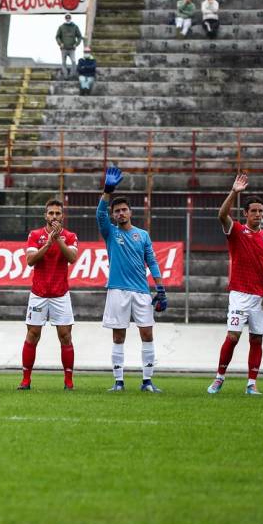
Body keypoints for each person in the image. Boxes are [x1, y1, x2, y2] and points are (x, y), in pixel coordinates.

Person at [209, 175, 263, 396]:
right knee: (233, 336)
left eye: (261, 211)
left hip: (260, 296)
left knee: (256, 339)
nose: (258, 214)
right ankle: (219, 378)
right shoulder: (237, 231)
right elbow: (221, 215)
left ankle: (251, 383)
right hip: (240, 294)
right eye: (254, 211)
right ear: (246, 213)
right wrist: (234, 192)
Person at [97, 167, 167, 393]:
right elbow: (99, 214)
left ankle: (147, 381)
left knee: (147, 333)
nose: (120, 213)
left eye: (123, 210)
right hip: (117, 290)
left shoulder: (142, 235)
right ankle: (118, 382)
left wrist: (161, 289)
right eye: (116, 211)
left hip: (141, 291)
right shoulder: (110, 232)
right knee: (118, 336)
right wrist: (107, 191)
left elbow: (152, 262)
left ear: (130, 212)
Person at [19, 199, 79, 390]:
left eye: (57, 213)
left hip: (60, 293)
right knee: (32, 334)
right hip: (39, 293)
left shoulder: (70, 236)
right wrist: (47, 244)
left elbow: (71, 258)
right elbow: (30, 261)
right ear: (45, 215)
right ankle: (26, 380)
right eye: (51, 213)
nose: (54, 216)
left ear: (62, 216)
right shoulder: (35, 235)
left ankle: (68, 381)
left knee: (65, 336)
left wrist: (58, 239)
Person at [55, 13, 83, 78]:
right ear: (65, 18)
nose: (68, 19)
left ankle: (72, 75)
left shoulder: (75, 27)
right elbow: (57, 37)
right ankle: (66, 75)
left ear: (71, 18)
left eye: (69, 17)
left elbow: (79, 36)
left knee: (73, 61)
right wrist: (60, 43)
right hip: (63, 48)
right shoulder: (61, 27)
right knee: (63, 62)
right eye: (66, 18)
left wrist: (76, 44)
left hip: (72, 49)